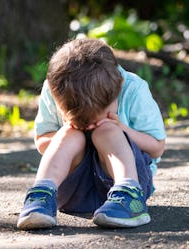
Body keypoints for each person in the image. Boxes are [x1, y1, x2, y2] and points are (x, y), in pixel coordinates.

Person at [17, 38, 166, 230]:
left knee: (107, 130)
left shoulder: (132, 88)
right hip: (73, 190)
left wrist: (123, 129)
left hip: (124, 180)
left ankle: (128, 193)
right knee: (69, 134)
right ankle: (42, 195)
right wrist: (69, 131)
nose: (89, 126)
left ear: (117, 88)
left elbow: (157, 147)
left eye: (96, 117)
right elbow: (42, 140)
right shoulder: (56, 88)